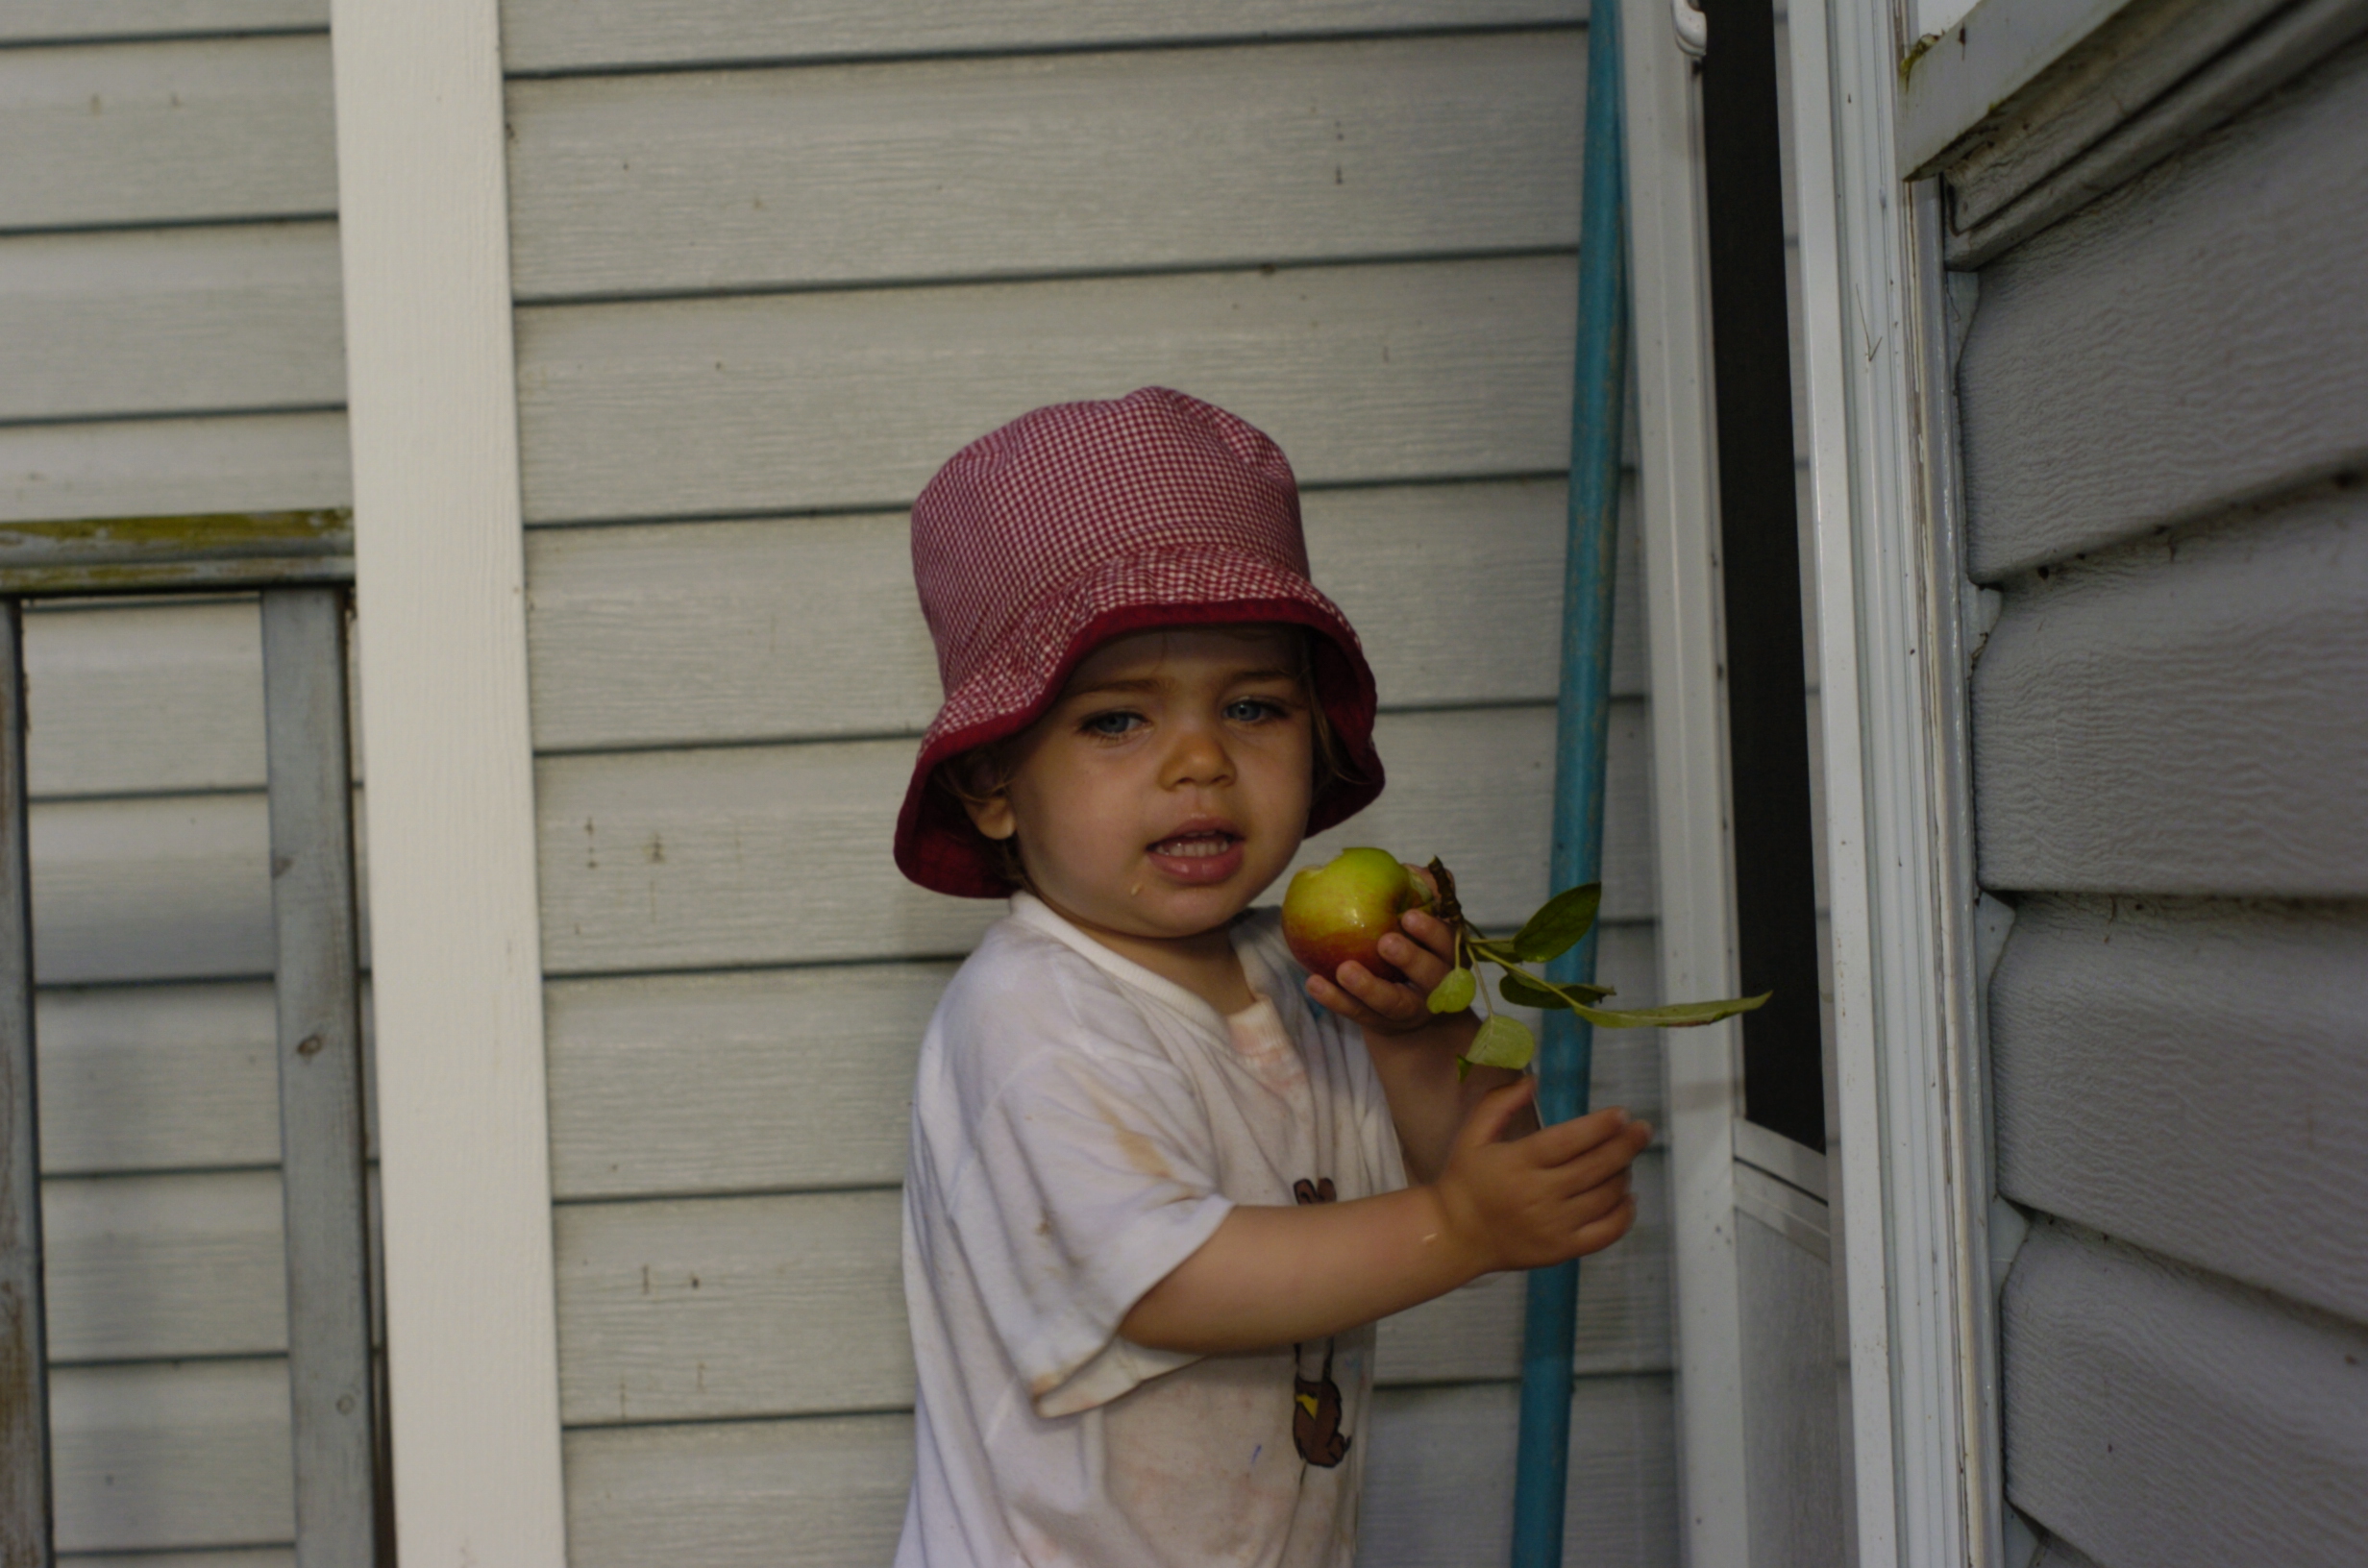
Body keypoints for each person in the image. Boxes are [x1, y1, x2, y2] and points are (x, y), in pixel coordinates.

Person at [891, 387, 1651, 1566]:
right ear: (991, 786)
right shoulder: (1033, 1016)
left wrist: (1417, 1031)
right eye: (1116, 722)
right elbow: (1167, 1283)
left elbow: (1459, 1163)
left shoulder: (1289, 977)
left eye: (1251, 707)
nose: (1201, 759)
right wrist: (1459, 1228)